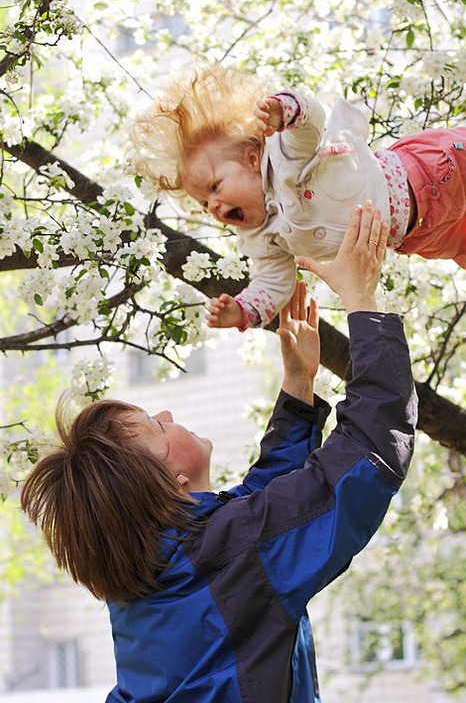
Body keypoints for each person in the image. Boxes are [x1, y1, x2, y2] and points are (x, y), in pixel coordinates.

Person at [20, 202, 418, 703]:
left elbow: (263, 509)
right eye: (156, 429)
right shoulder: (229, 551)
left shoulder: (151, 576)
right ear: (170, 484)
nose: (166, 414)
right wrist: (365, 303)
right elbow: (370, 450)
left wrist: (298, 387)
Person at [131, 64, 466, 330]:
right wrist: (243, 311)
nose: (212, 206)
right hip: (416, 234)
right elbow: (273, 284)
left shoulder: (285, 154)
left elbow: (311, 121)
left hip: (430, 170)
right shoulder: (265, 242)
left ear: (249, 158)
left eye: (213, 187)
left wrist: (286, 109)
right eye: (204, 204)